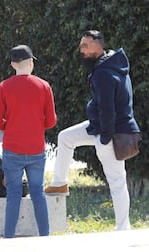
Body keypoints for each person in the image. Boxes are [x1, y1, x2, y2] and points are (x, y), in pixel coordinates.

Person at [45, 30, 141, 231]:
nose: (81, 51)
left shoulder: (103, 72)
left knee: (116, 181)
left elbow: (108, 109)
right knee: (65, 137)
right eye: (81, 46)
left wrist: (105, 139)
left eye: (85, 46)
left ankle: (123, 228)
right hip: (100, 128)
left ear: (98, 46)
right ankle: (60, 182)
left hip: (111, 133)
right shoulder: (110, 64)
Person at [0, 45, 57, 238]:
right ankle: (44, 236)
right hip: (36, 148)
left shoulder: (3, 87)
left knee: (13, 194)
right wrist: (37, 125)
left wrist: (9, 126)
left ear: (12, 64)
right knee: (38, 193)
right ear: (31, 62)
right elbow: (51, 120)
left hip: (12, 148)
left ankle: (9, 237)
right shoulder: (44, 86)